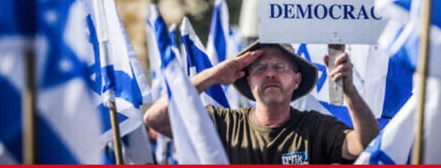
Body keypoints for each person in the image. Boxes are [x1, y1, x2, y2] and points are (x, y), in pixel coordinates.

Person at [143, 41, 379, 164]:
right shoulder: (222, 124)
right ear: (246, 78)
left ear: (296, 80)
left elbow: (366, 142)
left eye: (279, 67)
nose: (269, 74)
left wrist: (350, 93)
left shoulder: (317, 128)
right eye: (259, 68)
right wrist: (213, 75)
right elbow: (154, 118)